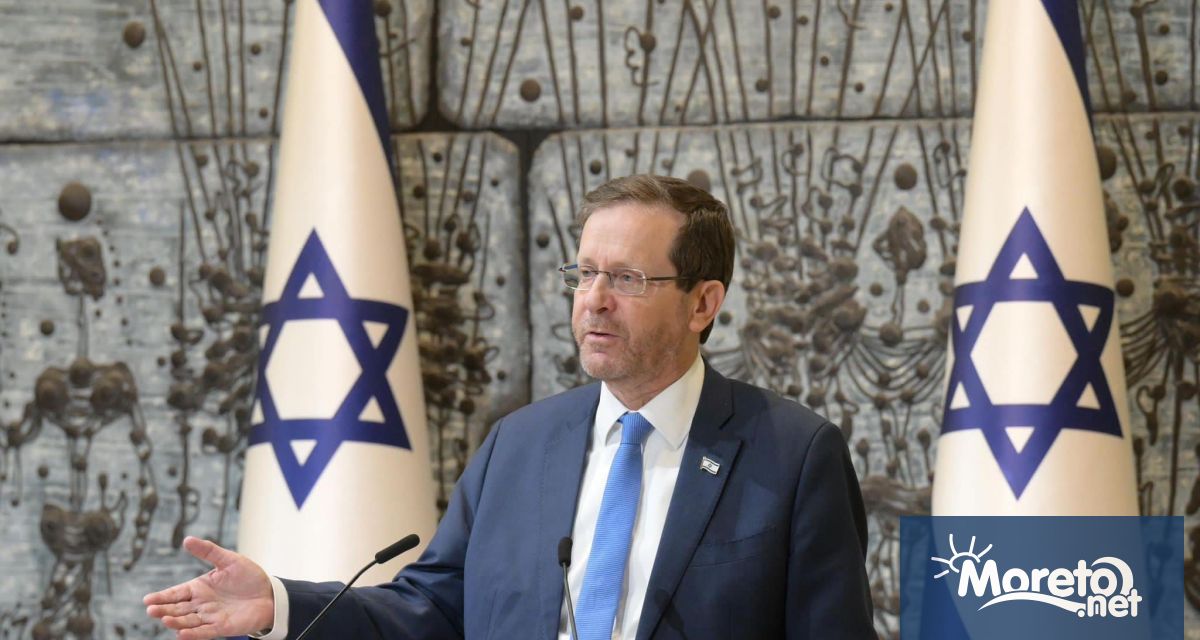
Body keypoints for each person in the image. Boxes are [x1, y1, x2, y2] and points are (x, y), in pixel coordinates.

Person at [144, 174, 875, 639]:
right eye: (584, 273)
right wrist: (279, 603)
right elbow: (431, 610)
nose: (593, 300)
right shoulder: (520, 446)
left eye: (626, 278)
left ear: (702, 303)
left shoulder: (792, 455)